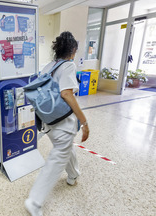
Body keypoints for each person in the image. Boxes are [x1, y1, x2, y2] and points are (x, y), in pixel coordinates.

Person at [25, 31, 90, 216]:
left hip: (48, 119)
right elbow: (66, 94)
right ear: (74, 49)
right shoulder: (68, 65)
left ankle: (73, 174)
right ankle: (35, 201)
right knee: (58, 156)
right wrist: (84, 121)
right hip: (62, 121)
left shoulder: (49, 65)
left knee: (65, 147)